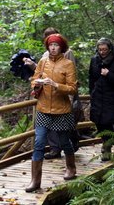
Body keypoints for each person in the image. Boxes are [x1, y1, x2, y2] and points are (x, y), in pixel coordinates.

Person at [25, 34, 78, 192]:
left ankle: (71, 168)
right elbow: (34, 79)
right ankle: (35, 180)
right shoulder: (42, 61)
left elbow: (73, 88)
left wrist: (55, 84)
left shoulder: (68, 64)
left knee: (64, 142)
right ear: (47, 47)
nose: (53, 48)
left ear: (61, 47)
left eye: (56, 45)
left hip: (61, 110)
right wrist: (36, 84)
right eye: (51, 45)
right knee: (39, 143)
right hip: (43, 109)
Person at [89, 38, 114, 161]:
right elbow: (91, 78)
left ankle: (107, 146)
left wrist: (109, 74)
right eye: (100, 50)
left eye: (105, 49)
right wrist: (92, 93)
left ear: (110, 49)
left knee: (107, 122)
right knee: (98, 122)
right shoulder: (94, 61)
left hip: (112, 99)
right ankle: (106, 141)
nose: (102, 52)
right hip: (98, 97)